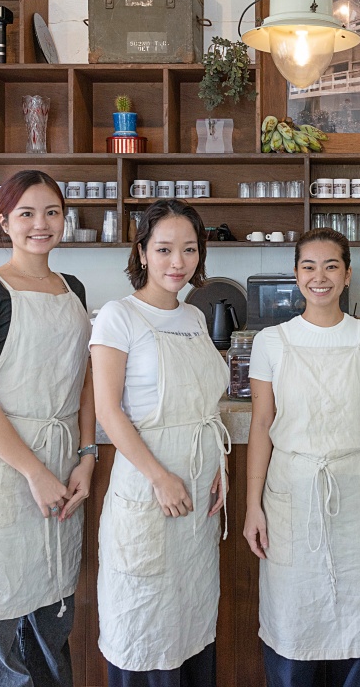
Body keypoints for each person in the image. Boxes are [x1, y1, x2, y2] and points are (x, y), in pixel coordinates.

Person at [0, 169, 95, 687]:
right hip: (2, 476)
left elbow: (83, 382)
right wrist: (35, 473)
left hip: (62, 470)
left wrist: (87, 456)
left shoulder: (73, 289)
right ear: (4, 221)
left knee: (51, 628)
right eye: (26, 213)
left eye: (52, 212)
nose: (41, 224)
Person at [243, 228, 360, 687]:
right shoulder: (271, 341)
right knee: (292, 624)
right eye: (309, 267)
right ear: (296, 275)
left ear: (347, 274)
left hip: (357, 496)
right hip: (291, 496)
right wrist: (253, 505)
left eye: (331, 266)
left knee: (357, 624)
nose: (320, 277)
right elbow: (261, 425)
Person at [91, 198, 229, 687]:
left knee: (189, 619)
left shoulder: (194, 317)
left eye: (189, 249)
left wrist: (218, 468)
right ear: (142, 252)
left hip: (196, 495)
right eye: (165, 248)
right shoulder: (119, 315)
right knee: (144, 621)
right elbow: (108, 410)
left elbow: (203, 407)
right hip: (150, 490)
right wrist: (160, 477)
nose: (178, 262)